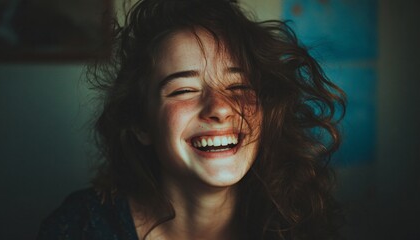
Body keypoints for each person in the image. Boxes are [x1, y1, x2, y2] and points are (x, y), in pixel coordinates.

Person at [37, 0, 346, 239]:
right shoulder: (80, 227)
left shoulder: (303, 224)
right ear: (142, 123)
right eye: (184, 89)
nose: (220, 108)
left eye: (238, 86)